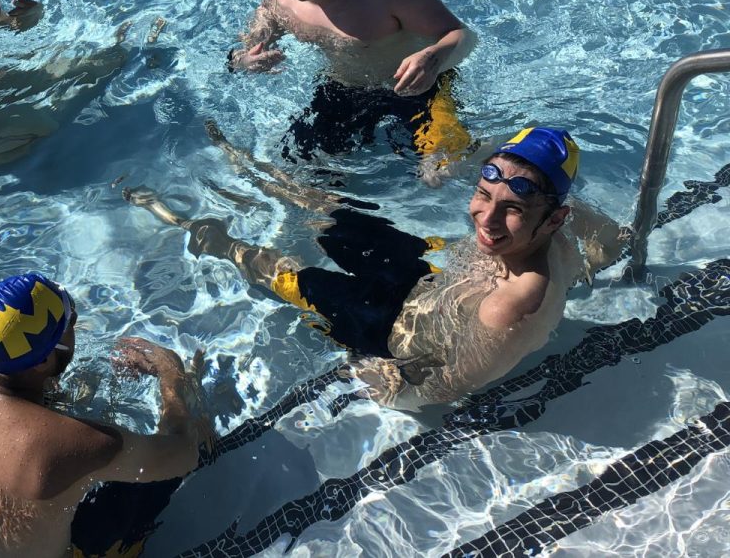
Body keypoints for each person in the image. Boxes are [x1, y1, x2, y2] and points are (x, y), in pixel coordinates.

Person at [126, 126, 624, 410]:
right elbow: (615, 242)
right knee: (329, 209)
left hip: (389, 333)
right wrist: (594, 262)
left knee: (283, 275)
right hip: (421, 283)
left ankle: (206, 235)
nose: (487, 220)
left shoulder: (509, 305)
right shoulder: (563, 215)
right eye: (482, 195)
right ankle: (251, 171)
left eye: (511, 211)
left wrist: (385, 388)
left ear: (552, 217)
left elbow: (446, 384)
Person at [0, 272, 209, 558]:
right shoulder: (79, 443)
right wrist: (171, 375)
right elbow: (184, 453)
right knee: (191, 441)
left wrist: (0, 357)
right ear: (43, 359)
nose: (74, 326)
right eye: (70, 322)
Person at [228, 0, 477, 161]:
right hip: (346, 90)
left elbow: (463, 35)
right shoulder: (278, 7)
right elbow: (238, 58)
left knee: (443, 169)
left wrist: (432, 56)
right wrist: (247, 62)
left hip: (418, 88)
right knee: (300, 164)